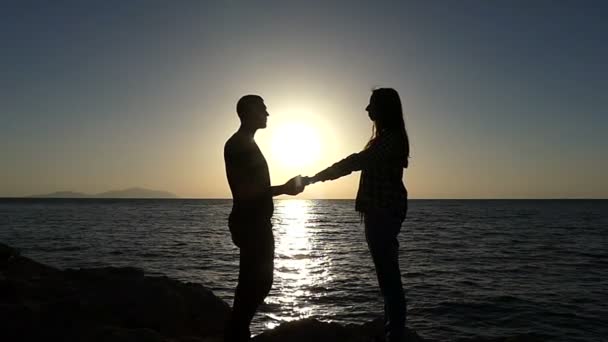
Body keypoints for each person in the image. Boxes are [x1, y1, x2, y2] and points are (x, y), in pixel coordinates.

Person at [304, 88, 410, 342]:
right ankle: (392, 329)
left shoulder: (390, 139)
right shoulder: (386, 137)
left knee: (389, 278)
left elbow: (355, 162)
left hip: (383, 213)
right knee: (387, 276)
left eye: (371, 104)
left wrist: (314, 178)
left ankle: (394, 333)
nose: (366, 109)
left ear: (383, 108)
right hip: (382, 212)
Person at [223, 95, 305, 341]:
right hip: (250, 223)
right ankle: (236, 332)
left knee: (255, 282)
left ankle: (238, 331)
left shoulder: (245, 143)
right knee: (256, 282)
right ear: (248, 112)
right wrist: (285, 189)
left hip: (253, 221)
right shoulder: (239, 144)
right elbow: (246, 190)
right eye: (263, 109)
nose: (267, 114)